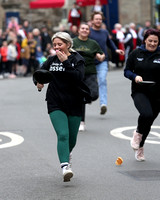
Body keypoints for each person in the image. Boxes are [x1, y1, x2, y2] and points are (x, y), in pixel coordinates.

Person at [33, 32, 88, 182]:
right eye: (55, 45)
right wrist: (38, 82)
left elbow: (78, 78)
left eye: (60, 44)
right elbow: (38, 73)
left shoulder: (78, 59)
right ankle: (65, 167)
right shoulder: (51, 60)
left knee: (72, 139)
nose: (57, 48)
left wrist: (66, 63)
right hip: (55, 101)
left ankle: (67, 153)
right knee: (63, 135)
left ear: (68, 44)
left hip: (75, 102)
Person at [124, 28, 160, 161]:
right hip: (140, 91)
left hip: (157, 93)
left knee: (149, 122)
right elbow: (126, 71)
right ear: (145, 40)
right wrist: (135, 76)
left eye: (155, 41)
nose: (152, 43)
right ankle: (138, 133)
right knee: (146, 114)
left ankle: (140, 147)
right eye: (150, 41)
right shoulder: (136, 53)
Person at [89, 12, 124, 115]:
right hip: (90, 62)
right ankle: (90, 96)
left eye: (100, 19)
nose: (98, 21)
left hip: (103, 61)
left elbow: (109, 42)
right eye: (96, 19)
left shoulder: (104, 32)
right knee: (90, 83)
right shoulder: (89, 32)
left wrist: (116, 50)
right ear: (92, 21)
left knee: (102, 80)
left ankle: (103, 104)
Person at [73, 22, 105, 131]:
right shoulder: (72, 42)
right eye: (82, 28)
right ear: (78, 30)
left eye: (87, 29)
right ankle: (81, 122)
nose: (84, 30)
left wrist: (101, 57)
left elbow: (101, 53)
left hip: (90, 71)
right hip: (77, 73)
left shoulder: (93, 43)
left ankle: (84, 100)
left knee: (94, 94)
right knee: (80, 98)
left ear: (89, 32)